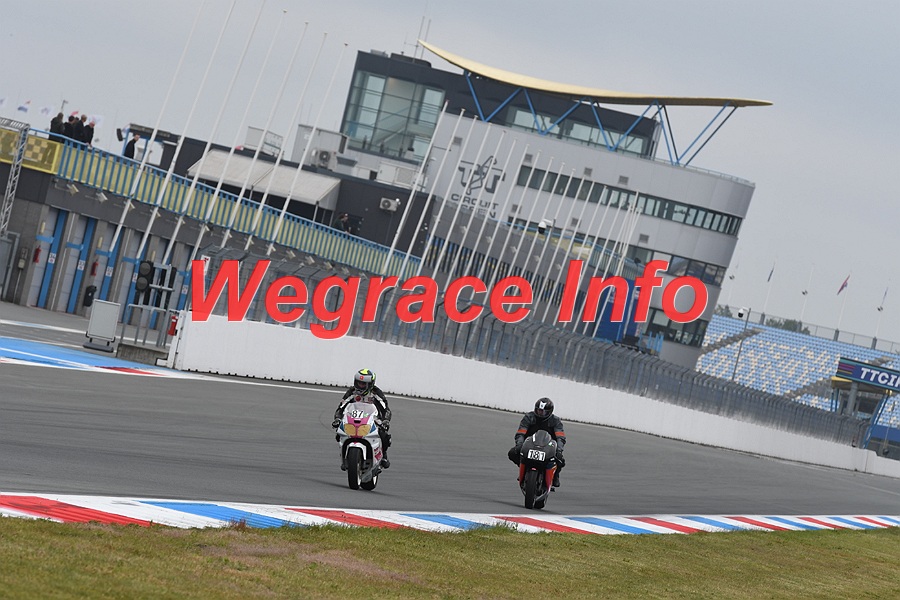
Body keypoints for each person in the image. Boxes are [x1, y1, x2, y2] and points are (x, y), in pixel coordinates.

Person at [332, 368, 392, 468]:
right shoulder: (352, 392)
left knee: (383, 434)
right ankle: (345, 456)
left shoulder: (376, 392)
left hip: (372, 418)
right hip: (353, 417)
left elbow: (386, 409)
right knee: (339, 433)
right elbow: (341, 407)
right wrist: (337, 418)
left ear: (370, 384)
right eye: (358, 383)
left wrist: (385, 421)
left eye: (363, 384)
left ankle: (384, 455)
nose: (360, 386)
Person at [507, 397, 566, 487]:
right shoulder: (528, 417)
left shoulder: (555, 421)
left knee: (560, 459)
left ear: (549, 412)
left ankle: (555, 475)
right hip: (530, 444)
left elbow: (560, 437)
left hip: (548, 446)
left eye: (543, 412)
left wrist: (559, 450)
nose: (540, 413)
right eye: (538, 410)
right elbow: (520, 433)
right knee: (513, 453)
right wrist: (519, 445)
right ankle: (524, 468)